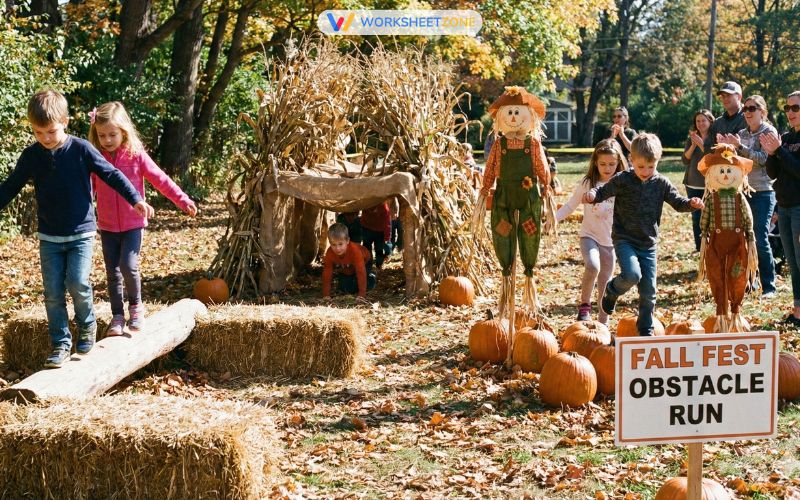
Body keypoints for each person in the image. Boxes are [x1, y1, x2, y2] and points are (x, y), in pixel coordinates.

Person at [0, 90, 152, 368]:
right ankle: (60, 343)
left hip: (81, 233)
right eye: (38, 132)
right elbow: (10, 186)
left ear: (65, 121)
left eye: (51, 131)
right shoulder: (32, 156)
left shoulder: (81, 149)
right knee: (53, 292)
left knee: (78, 283)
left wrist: (135, 199)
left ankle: (87, 326)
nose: (45, 138)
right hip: (49, 236)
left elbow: (111, 173)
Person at [88, 101, 197, 336]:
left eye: (112, 134)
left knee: (128, 265)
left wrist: (183, 200)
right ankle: (117, 316)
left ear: (124, 131)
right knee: (112, 272)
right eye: (102, 135)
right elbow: (88, 190)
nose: (107, 140)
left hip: (132, 224)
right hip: (107, 225)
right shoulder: (96, 158)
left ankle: (136, 307)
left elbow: (161, 179)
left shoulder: (136, 156)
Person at [584, 133, 704, 336]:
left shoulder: (661, 183)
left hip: (648, 243)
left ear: (657, 162)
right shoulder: (623, 179)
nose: (646, 171)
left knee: (649, 292)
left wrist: (691, 204)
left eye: (651, 166)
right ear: (631, 160)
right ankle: (612, 290)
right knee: (632, 275)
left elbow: (678, 202)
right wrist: (593, 195)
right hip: (625, 239)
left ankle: (646, 331)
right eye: (641, 167)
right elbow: (603, 191)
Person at [557, 139, 627, 324]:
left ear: (619, 162)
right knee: (593, 266)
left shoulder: (622, 184)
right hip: (589, 236)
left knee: (606, 282)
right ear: (595, 162)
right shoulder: (588, 183)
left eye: (612, 164)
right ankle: (584, 307)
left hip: (611, 242)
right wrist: (551, 219)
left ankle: (603, 321)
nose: (607, 168)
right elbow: (571, 206)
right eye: (603, 164)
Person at [717, 95, 778, 297]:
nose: (748, 112)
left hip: (763, 192)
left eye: (752, 108)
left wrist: (739, 147)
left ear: (762, 111)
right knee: (742, 239)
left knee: (759, 238)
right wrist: (726, 148)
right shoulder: (741, 133)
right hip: (742, 191)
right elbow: (735, 162)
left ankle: (769, 286)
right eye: (745, 109)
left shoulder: (768, 131)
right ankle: (749, 281)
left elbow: (762, 160)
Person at [762, 90, 800, 325]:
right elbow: (773, 173)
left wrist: (780, 151)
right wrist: (771, 154)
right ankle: (798, 311)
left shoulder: (784, 144)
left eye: (795, 108)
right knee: (793, 262)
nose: (790, 112)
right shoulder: (785, 138)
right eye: (787, 108)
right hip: (784, 207)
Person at [682, 109, 715, 251]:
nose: (701, 123)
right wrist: (694, 145)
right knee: (696, 218)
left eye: (703, 120)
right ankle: (699, 247)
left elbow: (712, 159)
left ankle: (712, 246)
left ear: (710, 121)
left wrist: (701, 144)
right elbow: (685, 160)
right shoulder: (691, 138)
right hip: (692, 183)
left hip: (709, 184)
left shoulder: (714, 138)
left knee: (711, 217)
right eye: (698, 121)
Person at [321, 222, 376, 298]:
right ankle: (352, 279)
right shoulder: (330, 253)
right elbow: (327, 272)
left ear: (347, 241)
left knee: (366, 282)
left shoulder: (355, 251)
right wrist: (326, 295)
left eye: (340, 244)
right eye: (333, 244)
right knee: (344, 288)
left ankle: (371, 276)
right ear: (329, 243)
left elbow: (361, 272)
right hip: (348, 264)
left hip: (365, 261)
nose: (337, 248)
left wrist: (361, 295)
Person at [705, 81, 746, 154]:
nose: (725, 98)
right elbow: (709, 149)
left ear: (739, 96)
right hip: (721, 165)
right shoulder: (717, 123)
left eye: (728, 95)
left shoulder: (749, 119)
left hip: (745, 165)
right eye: (723, 96)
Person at [360, 201, 391, 268]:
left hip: (378, 231)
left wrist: (387, 237)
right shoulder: (365, 204)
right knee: (367, 249)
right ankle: (368, 265)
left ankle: (378, 265)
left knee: (378, 249)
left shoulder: (384, 208)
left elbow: (387, 223)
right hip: (368, 229)